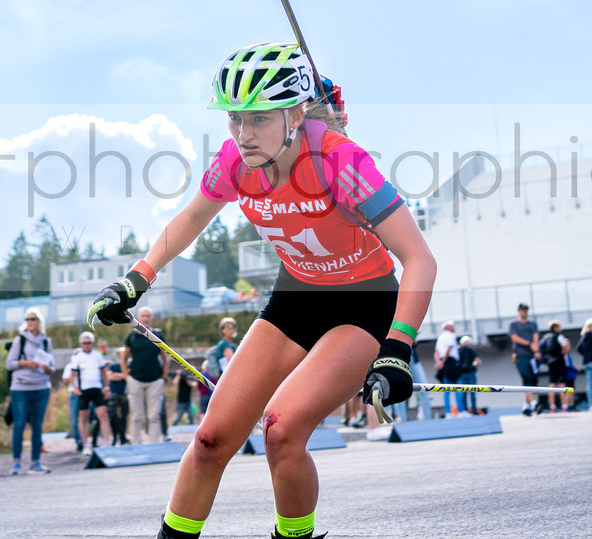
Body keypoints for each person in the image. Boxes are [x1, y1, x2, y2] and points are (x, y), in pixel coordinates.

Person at [88, 43, 436, 539]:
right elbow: (191, 219)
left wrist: (397, 346)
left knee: (282, 430)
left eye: (259, 118)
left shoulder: (341, 160)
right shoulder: (236, 159)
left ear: (295, 112)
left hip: (362, 306)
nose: (243, 134)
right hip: (295, 299)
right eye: (234, 118)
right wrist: (136, 278)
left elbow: (419, 258)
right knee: (210, 439)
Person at [5, 309, 55, 475]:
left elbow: (52, 368)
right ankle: (16, 463)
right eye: (27, 319)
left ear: (39, 321)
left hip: (41, 386)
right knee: (19, 424)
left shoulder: (46, 342)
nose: (30, 321)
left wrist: (47, 368)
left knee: (37, 426)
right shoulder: (19, 339)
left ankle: (35, 462)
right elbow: (9, 363)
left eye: (33, 319)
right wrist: (26, 363)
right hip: (21, 387)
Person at [122, 306, 169, 445]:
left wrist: (163, 377)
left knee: (154, 416)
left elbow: (165, 358)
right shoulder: (132, 336)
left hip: (155, 380)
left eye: (148, 316)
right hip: (135, 379)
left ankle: (154, 445)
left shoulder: (158, 335)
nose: (146, 318)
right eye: (143, 316)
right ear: (138, 317)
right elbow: (123, 358)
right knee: (136, 416)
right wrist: (126, 376)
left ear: (152, 319)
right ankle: (136, 444)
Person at [71, 331, 112, 455]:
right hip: (84, 389)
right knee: (84, 417)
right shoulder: (77, 357)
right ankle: (85, 444)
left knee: (103, 415)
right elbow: (72, 375)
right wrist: (75, 388)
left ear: (92, 343)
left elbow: (104, 372)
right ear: (81, 344)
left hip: (97, 388)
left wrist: (106, 387)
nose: (87, 345)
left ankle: (107, 442)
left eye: (89, 343)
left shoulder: (97, 355)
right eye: (84, 343)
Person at [508, 303, 541, 416]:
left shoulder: (532, 324)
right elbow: (514, 338)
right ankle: (533, 403)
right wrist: (529, 343)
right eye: (522, 310)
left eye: (526, 310)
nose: (524, 312)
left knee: (533, 380)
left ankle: (526, 406)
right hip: (520, 355)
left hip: (532, 356)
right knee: (526, 378)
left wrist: (536, 350)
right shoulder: (514, 324)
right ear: (519, 311)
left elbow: (536, 337)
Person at [540, 320, 571, 413]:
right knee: (562, 384)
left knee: (552, 384)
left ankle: (552, 407)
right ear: (556, 328)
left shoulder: (546, 337)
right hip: (560, 361)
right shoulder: (560, 337)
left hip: (551, 363)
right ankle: (564, 406)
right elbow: (566, 350)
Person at [433, 321, 460, 417]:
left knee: (446, 388)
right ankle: (460, 411)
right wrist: (443, 362)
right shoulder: (451, 336)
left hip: (443, 362)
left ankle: (448, 412)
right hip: (450, 362)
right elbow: (449, 349)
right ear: (449, 327)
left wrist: (439, 362)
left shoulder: (440, 337)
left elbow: (436, 352)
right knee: (458, 387)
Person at [105, 349, 130, 445]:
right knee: (114, 417)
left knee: (124, 417)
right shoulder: (114, 366)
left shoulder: (128, 365)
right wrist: (123, 375)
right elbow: (110, 377)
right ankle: (115, 436)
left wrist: (118, 375)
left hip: (124, 394)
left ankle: (123, 437)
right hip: (114, 394)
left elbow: (128, 376)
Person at [61, 355, 84, 452]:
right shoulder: (70, 367)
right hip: (74, 394)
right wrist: (73, 374)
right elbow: (65, 381)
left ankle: (88, 441)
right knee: (74, 420)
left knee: (88, 418)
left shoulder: (86, 365)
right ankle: (79, 441)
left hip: (86, 393)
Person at [456, 336, 481, 415]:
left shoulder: (458, 351)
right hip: (471, 373)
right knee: (473, 392)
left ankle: (465, 410)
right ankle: (474, 410)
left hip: (462, 373)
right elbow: (478, 361)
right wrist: (474, 366)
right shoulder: (471, 350)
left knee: (463, 392)